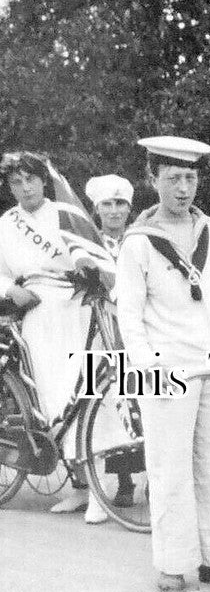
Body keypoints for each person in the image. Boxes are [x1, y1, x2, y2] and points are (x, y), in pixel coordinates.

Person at [114, 136, 210, 592]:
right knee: (169, 467)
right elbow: (129, 316)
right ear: (152, 180)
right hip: (166, 368)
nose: (183, 188)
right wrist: (146, 366)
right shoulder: (137, 244)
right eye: (173, 178)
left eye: (191, 178)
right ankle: (174, 564)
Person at [0, 151, 116, 523]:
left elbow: (91, 252)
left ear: (43, 180)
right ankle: (79, 486)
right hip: (35, 313)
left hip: (74, 306)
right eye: (16, 182)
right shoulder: (6, 224)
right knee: (53, 400)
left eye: (30, 179)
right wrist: (10, 291)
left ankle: (99, 491)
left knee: (86, 392)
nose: (25, 187)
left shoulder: (65, 213)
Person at [85, 174, 134, 255]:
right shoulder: (89, 244)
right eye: (107, 204)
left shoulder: (140, 241)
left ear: (129, 207)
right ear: (97, 209)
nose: (114, 211)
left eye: (120, 204)